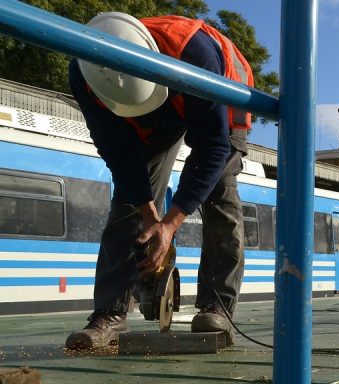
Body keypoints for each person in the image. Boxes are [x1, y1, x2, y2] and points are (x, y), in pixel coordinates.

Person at [65, 12, 253, 349]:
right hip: (151, 107)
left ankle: (217, 306)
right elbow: (119, 151)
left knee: (220, 192)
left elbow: (213, 147)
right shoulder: (85, 70)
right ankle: (110, 312)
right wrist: (151, 217)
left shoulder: (197, 56)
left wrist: (171, 223)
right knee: (127, 204)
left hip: (223, 94)